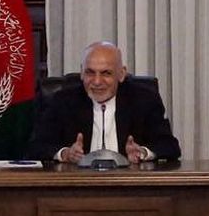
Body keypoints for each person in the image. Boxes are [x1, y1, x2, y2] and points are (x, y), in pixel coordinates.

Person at [28, 42, 181, 163]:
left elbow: (169, 146)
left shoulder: (144, 99)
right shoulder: (62, 100)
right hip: (77, 186)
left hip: (128, 185)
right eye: (90, 72)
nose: (96, 81)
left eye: (106, 73)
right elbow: (36, 147)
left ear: (121, 74)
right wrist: (65, 153)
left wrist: (143, 152)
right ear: (82, 73)